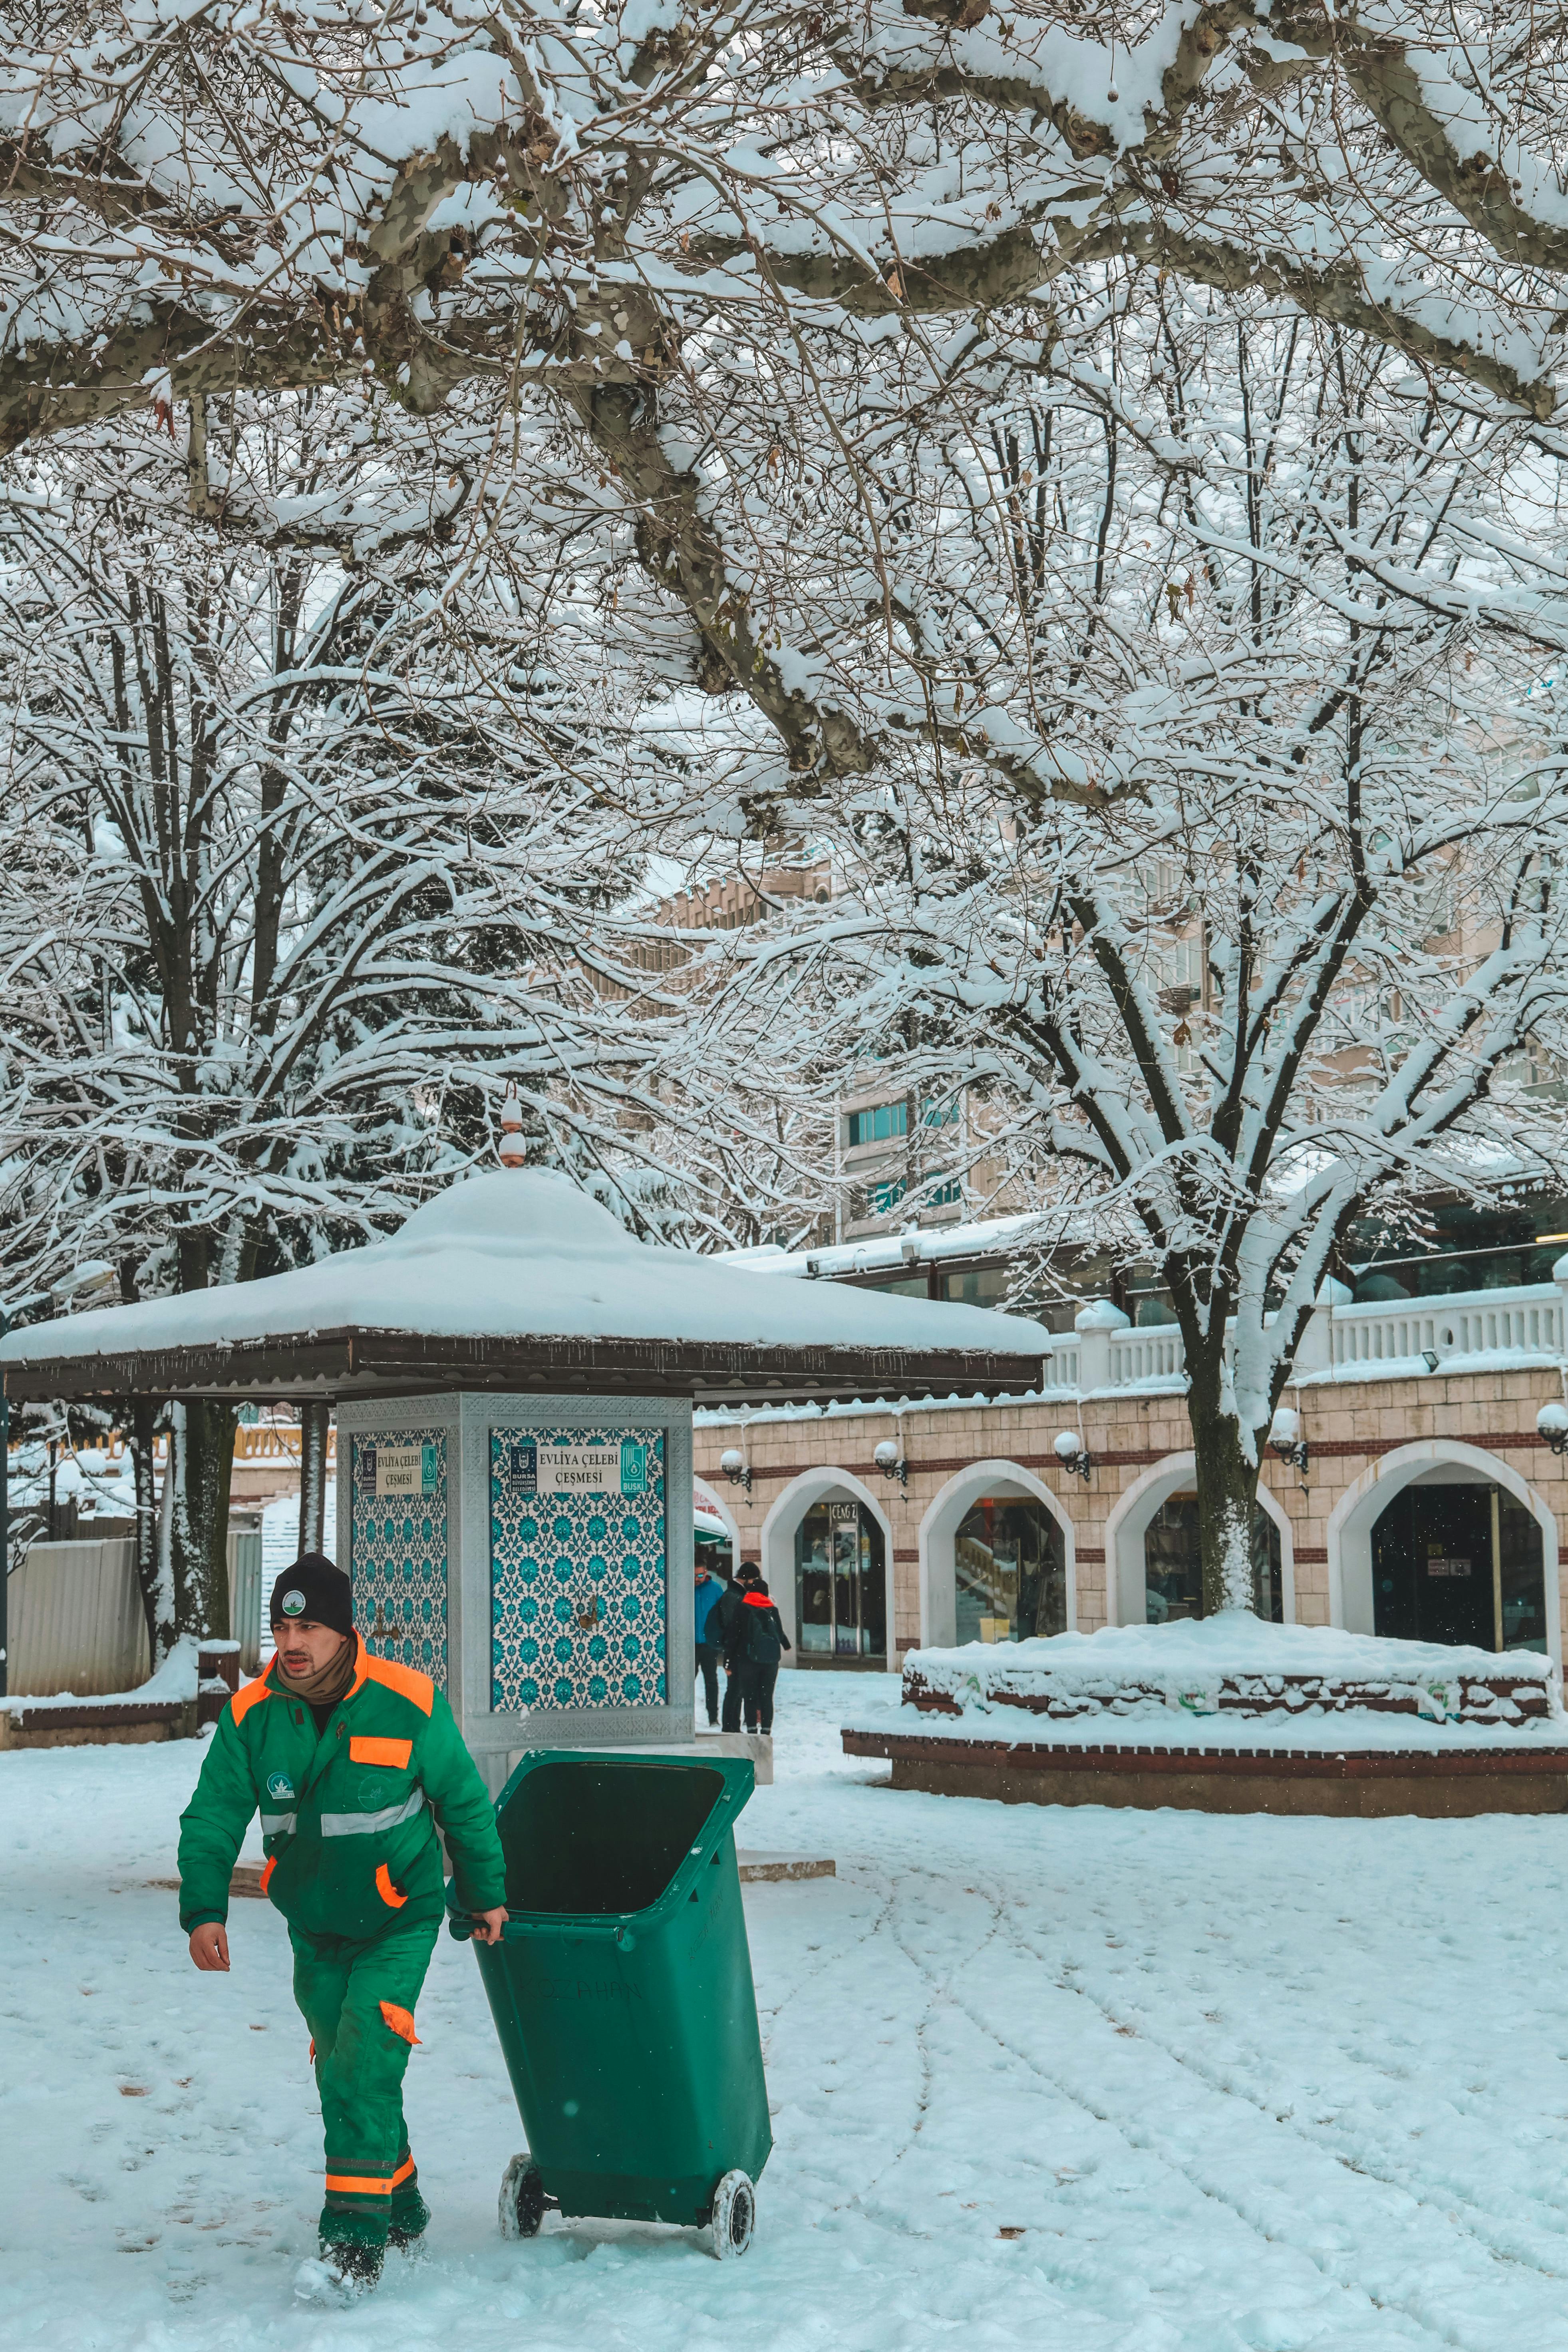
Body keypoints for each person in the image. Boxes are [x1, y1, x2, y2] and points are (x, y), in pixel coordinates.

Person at [177, 1553, 509, 2298]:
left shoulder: (408, 1701)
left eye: (310, 1627)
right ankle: (404, 2207)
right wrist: (203, 1907)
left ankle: (353, 2246)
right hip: (316, 1925)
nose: (293, 1643)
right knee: (341, 2072)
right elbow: (214, 1813)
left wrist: (484, 1893)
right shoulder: (251, 1714)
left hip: (400, 1918)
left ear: (344, 1631)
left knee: (363, 2063)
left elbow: (463, 1803)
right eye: (283, 1627)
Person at [736, 1576, 791, 1735]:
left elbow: (737, 1635)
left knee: (750, 1696)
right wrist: (786, 1645)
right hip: (771, 1660)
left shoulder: (743, 1608)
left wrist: (730, 1658)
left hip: (749, 1659)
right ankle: (766, 1731)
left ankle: (752, 1729)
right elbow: (779, 1632)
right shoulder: (772, 1609)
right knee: (767, 1697)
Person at [711, 1560, 761, 1732]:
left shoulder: (736, 1595)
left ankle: (733, 1726)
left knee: (737, 1690)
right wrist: (729, 1660)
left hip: (737, 1651)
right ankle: (730, 1727)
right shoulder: (734, 1597)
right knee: (735, 1691)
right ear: (747, 1579)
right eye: (754, 1580)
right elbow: (733, 1629)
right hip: (736, 1652)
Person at [693, 1556, 725, 1727]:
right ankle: (686, 1714)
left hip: (709, 1644)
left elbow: (723, 1616)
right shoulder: (685, 1588)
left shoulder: (715, 1590)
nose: (696, 1580)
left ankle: (713, 1717)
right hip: (689, 1644)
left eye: (699, 1576)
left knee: (711, 1681)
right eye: (694, 1576)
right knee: (686, 1681)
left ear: (706, 1573)